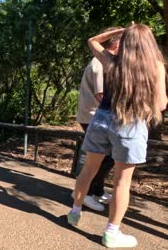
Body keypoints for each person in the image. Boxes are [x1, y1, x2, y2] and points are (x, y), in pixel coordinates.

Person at [68, 24, 167, 248]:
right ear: (150, 44)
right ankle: (111, 233)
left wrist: (117, 32)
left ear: (126, 41)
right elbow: (161, 104)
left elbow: (92, 40)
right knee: (122, 182)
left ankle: (74, 212)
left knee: (88, 170)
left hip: (101, 120)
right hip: (131, 124)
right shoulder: (156, 67)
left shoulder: (112, 62)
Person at [74, 27, 121, 211]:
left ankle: (97, 191)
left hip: (92, 115)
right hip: (94, 116)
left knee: (103, 157)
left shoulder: (101, 61)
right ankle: (86, 194)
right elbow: (102, 95)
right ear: (117, 44)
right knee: (104, 158)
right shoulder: (101, 63)